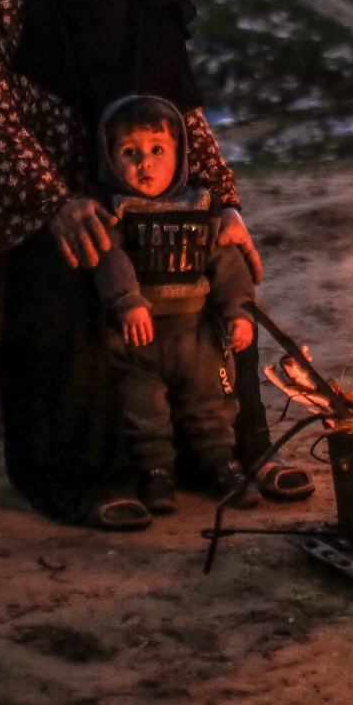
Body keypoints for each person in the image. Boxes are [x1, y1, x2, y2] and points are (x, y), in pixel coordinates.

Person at [0, 0, 313, 530]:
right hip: (33, 203)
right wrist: (57, 201)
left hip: (139, 191)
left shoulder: (149, 6)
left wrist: (226, 203)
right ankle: (86, 475)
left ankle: (231, 452)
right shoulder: (4, 3)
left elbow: (186, 118)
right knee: (68, 280)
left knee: (218, 270)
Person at [92, 95, 259, 516]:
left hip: (195, 333)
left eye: (157, 151)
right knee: (143, 414)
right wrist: (128, 301)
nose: (144, 163)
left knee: (212, 408)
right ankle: (156, 475)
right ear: (111, 159)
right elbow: (110, 259)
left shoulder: (201, 207)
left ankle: (224, 467)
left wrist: (238, 311)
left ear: (180, 155)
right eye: (129, 153)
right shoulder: (115, 211)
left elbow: (226, 262)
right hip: (138, 339)